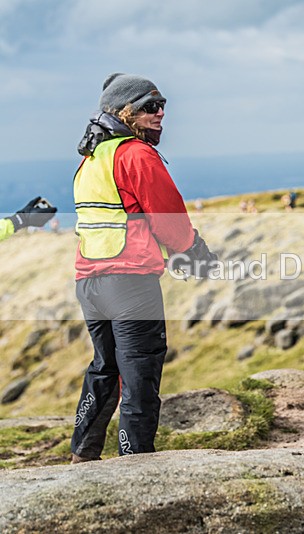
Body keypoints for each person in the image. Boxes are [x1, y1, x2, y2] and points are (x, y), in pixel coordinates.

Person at [70, 73, 217, 463]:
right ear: (125, 112)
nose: (161, 113)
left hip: (89, 283)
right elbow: (169, 219)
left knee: (105, 368)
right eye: (150, 107)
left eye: (162, 105)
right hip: (130, 284)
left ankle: (83, 453)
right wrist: (196, 251)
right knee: (139, 375)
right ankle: (135, 464)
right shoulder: (135, 153)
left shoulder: (91, 158)